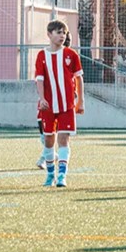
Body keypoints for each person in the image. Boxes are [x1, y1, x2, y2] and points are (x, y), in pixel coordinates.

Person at [35, 20, 85, 187]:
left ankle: (62, 176)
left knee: (63, 139)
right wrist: (42, 98)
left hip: (67, 105)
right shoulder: (42, 55)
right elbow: (39, 79)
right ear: (49, 35)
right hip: (48, 106)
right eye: (58, 32)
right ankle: (50, 175)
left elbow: (79, 78)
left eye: (64, 32)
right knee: (49, 140)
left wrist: (80, 101)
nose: (62, 36)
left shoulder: (71, 55)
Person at [36, 31, 71, 169]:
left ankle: (47, 158)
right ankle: (49, 155)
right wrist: (42, 97)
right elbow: (39, 78)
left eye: (64, 36)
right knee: (45, 132)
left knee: (61, 135)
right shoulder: (45, 57)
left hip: (62, 104)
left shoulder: (69, 57)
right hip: (47, 102)